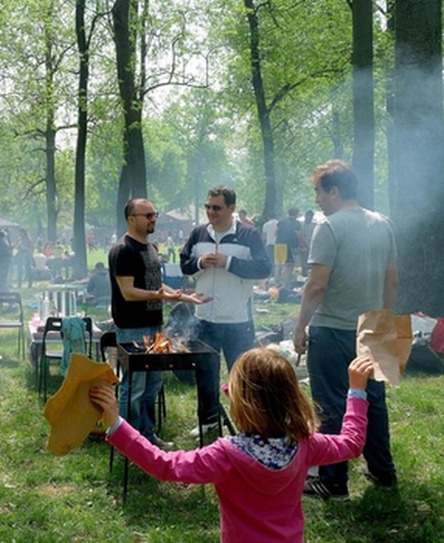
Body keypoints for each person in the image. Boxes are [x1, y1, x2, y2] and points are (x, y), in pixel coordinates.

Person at [90, 349, 375, 543]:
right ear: (290, 397)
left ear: (243, 402)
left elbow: (165, 465)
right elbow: (352, 443)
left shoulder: (226, 454)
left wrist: (116, 423)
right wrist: (357, 389)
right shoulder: (305, 443)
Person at [294, 159, 399, 499]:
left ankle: (333, 480)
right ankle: (383, 471)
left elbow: (316, 287)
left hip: (334, 327)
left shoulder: (329, 227)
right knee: (375, 401)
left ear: (334, 191)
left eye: (319, 192)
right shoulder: (383, 223)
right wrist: (383, 319)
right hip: (375, 326)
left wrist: (300, 326)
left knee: (331, 404)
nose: (317, 199)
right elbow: (392, 280)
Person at [109, 198, 210, 451]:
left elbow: (155, 285)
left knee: (153, 384)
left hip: (155, 326)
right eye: (148, 215)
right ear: (132, 219)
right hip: (133, 327)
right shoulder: (124, 250)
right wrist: (161, 296)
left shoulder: (151, 247)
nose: (153, 219)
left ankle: (147, 436)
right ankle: (128, 442)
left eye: (155, 214)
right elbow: (128, 291)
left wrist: (184, 297)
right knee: (133, 387)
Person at [180, 185, 271, 436]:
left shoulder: (248, 235)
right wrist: (199, 262)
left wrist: (228, 262)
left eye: (217, 208)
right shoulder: (198, 233)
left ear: (231, 208)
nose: (211, 212)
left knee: (241, 376)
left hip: (237, 319)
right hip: (204, 319)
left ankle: (248, 423)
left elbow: (264, 268)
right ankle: (207, 421)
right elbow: (184, 264)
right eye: (208, 207)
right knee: (205, 374)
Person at [275, 208, 302, 287]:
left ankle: (277, 283)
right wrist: (304, 245)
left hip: (278, 245)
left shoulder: (281, 221)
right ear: (296, 214)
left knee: (278, 265)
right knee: (288, 266)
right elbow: (299, 235)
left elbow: (276, 233)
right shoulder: (296, 223)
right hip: (288, 246)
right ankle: (286, 284)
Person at [300, 209, 316, 275]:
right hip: (302, 245)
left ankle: (309, 274)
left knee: (310, 261)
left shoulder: (314, 225)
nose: (309, 218)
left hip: (311, 245)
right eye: (308, 216)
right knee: (303, 261)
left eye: (311, 217)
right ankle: (303, 273)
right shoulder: (300, 225)